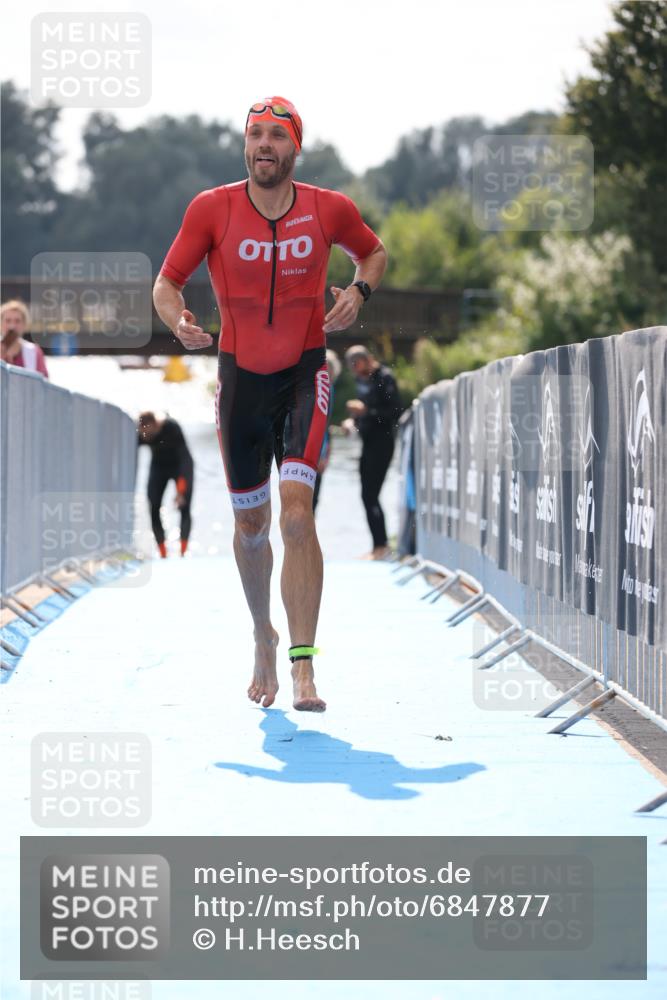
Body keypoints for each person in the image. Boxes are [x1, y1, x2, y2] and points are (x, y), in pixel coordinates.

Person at [153, 96, 387, 712]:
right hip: (240, 383)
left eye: (276, 136)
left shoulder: (328, 208)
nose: (264, 145)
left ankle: (304, 667)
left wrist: (359, 293)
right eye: (255, 134)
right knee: (251, 527)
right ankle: (263, 634)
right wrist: (176, 321)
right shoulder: (213, 208)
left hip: (305, 372)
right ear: (245, 145)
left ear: (294, 148)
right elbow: (166, 282)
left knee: (296, 515)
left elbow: (375, 251)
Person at [343, 345, 403, 560]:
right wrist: (353, 422)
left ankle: (382, 546)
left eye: (360, 368)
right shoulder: (363, 381)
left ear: (368, 360)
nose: (358, 374)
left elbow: (395, 411)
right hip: (367, 443)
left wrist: (367, 411)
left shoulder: (384, 378)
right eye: (354, 371)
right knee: (366, 495)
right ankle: (378, 545)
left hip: (383, 443)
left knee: (371, 494)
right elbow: (365, 414)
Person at [137, 411, 194, 558]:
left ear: (155, 425)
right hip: (159, 467)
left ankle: (183, 552)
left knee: (184, 506)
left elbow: (184, 462)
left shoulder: (171, 428)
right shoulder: (143, 434)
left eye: (148, 431)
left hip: (180, 466)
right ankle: (163, 553)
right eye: (143, 432)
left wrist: (181, 492)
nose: (146, 436)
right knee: (153, 505)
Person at [313, 349, 342, 513]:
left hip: (319, 449)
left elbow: (325, 427)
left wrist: (325, 456)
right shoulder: (318, 388)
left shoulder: (329, 389)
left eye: (328, 369)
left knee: (313, 499)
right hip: (310, 448)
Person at [0, 300, 49, 377]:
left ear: (24, 324)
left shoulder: (34, 351)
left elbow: (43, 383)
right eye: (8, 321)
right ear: (1, 324)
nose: (12, 326)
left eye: (17, 321)